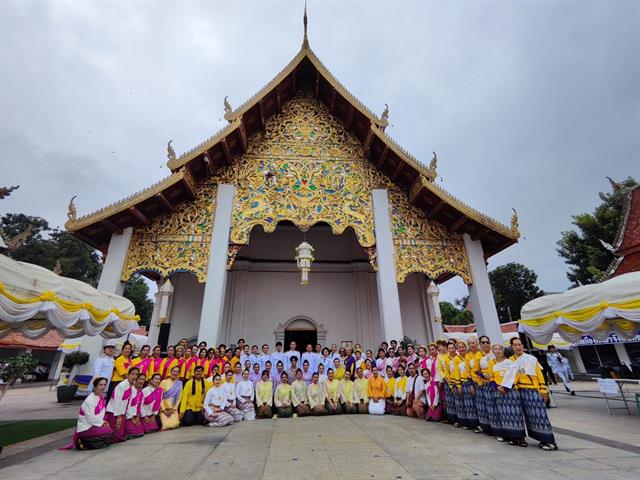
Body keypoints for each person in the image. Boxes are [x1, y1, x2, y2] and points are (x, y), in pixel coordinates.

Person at [510, 338, 558, 450]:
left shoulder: (531, 359)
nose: (518, 347)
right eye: (515, 345)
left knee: (539, 415)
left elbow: (540, 375)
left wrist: (543, 389)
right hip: (518, 390)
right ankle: (521, 437)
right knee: (521, 416)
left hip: (532, 390)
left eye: (520, 344)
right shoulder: (511, 360)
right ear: (512, 347)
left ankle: (547, 440)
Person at [489, 344, 525, 445]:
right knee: (504, 414)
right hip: (499, 390)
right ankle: (511, 436)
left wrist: (507, 387)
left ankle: (521, 437)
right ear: (493, 351)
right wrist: (497, 387)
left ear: (503, 350)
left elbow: (515, 375)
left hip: (510, 390)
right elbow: (491, 377)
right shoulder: (492, 363)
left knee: (516, 413)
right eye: (495, 349)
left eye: (499, 349)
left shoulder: (510, 362)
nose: (497, 351)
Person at [66, 377, 113, 450]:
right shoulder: (90, 400)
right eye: (100, 385)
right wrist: (101, 423)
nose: (103, 387)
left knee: (110, 432)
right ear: (94, 386)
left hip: (94, 425)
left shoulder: (100, 397)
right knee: (109, 431)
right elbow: (90, 418)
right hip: (86, 428)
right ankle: (84, 442)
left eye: (104, 385)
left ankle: (88, 443)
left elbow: (99, 415)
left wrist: (103, 422)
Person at [105, 366, 139, 443]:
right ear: (128, 375)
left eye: (136, 375)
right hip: (113, 412)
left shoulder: (132, 388)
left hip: (122, 413)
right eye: (132, 374)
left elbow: (130, 404)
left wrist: (132, 417)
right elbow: (117, 401)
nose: (134, 376)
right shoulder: (122, 385)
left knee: (132, 431)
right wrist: (119, 417)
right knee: (117, 437)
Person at [473, 336, 494, 435]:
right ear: (480, 344)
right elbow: (475, 370)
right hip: (485, 383)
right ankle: (490, 428)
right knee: (488, 405)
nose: (485, 344)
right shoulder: (478, 355)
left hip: (496, 382)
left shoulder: (495, 352)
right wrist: (483, 375)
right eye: (483, 342)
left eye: (487, 342)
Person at [159, 366, 182, 430]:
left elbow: (179, 397)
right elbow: (160, 397)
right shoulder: (163, 382)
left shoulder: (179, 383)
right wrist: (163, 409)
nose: (175, 373)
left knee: (175, 424)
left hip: (173, 408)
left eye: (177, 372)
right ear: (170, 372)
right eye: (174, 371)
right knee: (165, 425)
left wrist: (174, 409)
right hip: (164, 408)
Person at [443, 341, 460, 427]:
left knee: (459, 401)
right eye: (449, 348)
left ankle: (461, 419)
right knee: (451, 402)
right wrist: (450, 385)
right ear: (447, 349)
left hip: (458, 381)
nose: (451, 349)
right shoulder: (446, 359)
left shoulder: (459, 357)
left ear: (455, 348)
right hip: (450, 382)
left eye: (453, 348)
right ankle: (454, 420)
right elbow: (446, 372)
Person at [125, 374, 146, 439]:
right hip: (128, 416)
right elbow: (127, 406)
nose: (141, 381)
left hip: (136, 416)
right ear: (136, 380)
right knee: (133, 432)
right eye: (140, 379)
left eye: (143, 379)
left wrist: (137, 418)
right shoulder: (130, 390)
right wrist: (132, 419)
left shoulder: (141, 392)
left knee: (140, 432)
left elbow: (140, 406)